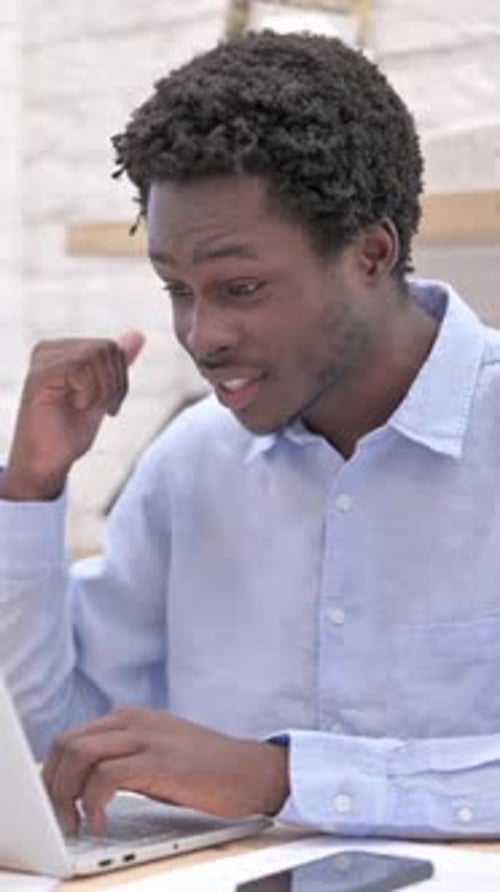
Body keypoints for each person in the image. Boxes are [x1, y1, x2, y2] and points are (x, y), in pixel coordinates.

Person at [1, 30, 500, 841]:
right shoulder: (190, 464)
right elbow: (45, 751)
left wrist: (280, 778)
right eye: (177, 289)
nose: (201, 335)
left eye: (241, 287)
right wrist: (31, 490)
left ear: (371, 253)